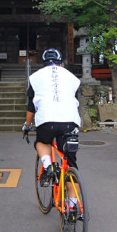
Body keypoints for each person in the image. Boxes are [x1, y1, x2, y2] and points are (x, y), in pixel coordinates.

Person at [23, 48, 82, 213]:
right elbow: (74, 101)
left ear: (43, 63)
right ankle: (71, 206)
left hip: (47, 121)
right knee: (70, 164)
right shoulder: (71, 78)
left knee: (42, 142)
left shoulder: (36, 77)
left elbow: (31, 106)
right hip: (70, 122)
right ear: (61, 62)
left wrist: (27, 125)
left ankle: (48, 166)